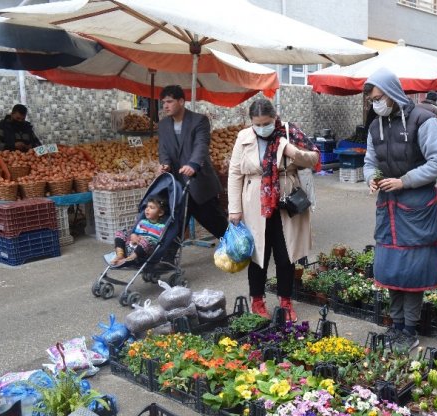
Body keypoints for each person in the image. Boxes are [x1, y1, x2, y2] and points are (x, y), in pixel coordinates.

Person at [362, 67, 437, 353]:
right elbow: (369, 161)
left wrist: (404, 181)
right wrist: (372, 178)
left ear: (393, 93)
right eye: (372, 99)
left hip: (417, 206)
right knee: (391, 269)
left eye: (379, 97)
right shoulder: (375, 126)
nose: (376, 103)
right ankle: (396, 325)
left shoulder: (425, 121)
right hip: (387, 207)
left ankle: (409, 330)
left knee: (413, 271)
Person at [227, 98, 319, 322]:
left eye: (266, 123)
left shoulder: (290, 132)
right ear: (251, 122)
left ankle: (285, 301)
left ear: (275, 117)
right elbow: (235, 174)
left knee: (285, 255)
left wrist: (289, 149)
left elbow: (314, 159)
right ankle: (257, 300)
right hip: (254, 203)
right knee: (257, 254)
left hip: (286, 201)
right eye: (257, 124)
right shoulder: (244, 137)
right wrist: (234, 209)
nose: (262, 128)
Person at [158, 85, 227, 240]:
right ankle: (166, 260)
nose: (165, 106)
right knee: (174, 225)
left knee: (217, 224)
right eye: (163, 102)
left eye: (169, 101)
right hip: (176, 185)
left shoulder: (199, 121)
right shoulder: (163, 125)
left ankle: (237, 250)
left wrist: (193, 164)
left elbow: (201, 145)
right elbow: (163, 149)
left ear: (181, 101)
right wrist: (165, 163)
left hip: (199, 182)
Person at [112, 196, 166, 266]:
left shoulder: (161, 226)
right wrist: (133, 236)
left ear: (160, 213)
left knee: (148, 240)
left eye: (151, 208)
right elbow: (135, 233)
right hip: (131, 246)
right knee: (120, 233)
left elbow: (157, 241)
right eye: (147, 207)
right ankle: (120, 254)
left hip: (144, 251)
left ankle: (130, 259)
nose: (147, 209)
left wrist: (143, 240)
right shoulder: (142, 222)